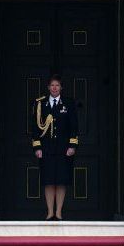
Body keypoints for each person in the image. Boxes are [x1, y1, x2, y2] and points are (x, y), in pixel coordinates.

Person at [30, 75, 79, 221]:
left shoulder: (68, 103)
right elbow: (35, 128)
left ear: (61, 88)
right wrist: (37, 147)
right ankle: (50, 211)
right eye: (52, 85)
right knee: (49, 180)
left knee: (61, 180)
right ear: (48, 87)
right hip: (46, 150)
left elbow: (74, 126)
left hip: (64, 149)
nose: (54, 88)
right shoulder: (41, 104)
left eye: (57, 85)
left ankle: (59, 211)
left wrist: (72, 145)